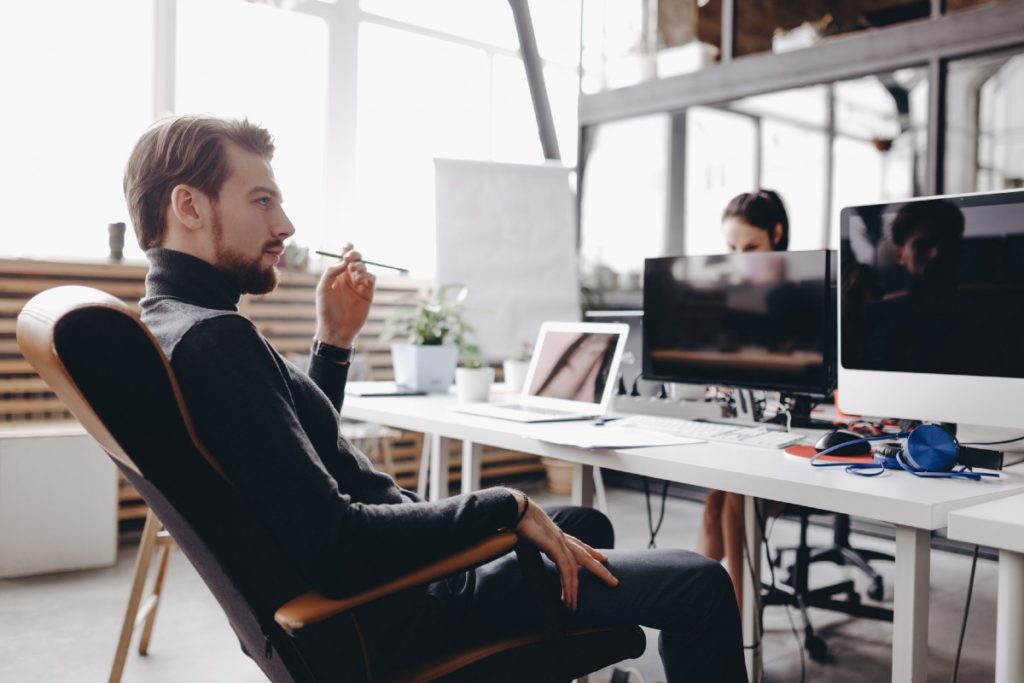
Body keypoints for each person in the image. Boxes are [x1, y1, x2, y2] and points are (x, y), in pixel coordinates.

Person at [124, 115, 747, 682]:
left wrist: (334, 342)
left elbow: (292, 459)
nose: (285, 225)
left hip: (388, 594)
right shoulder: (217, 340)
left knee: (582, 526)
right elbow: (336, 546)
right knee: (700, 583)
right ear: (189, 206)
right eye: (262, 200)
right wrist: (501, 504)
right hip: (403, 605)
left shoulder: (177, 326)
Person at [697, 189, 789, 610]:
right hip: (751, 429)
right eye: (731, 248)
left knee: (731, 494)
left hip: (798, 441)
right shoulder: (734, 297)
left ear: (777, 234)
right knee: (719, 497)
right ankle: (706, 607)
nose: (740, 259)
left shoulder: (802, 293)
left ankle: (729, 618)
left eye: (750, 247)